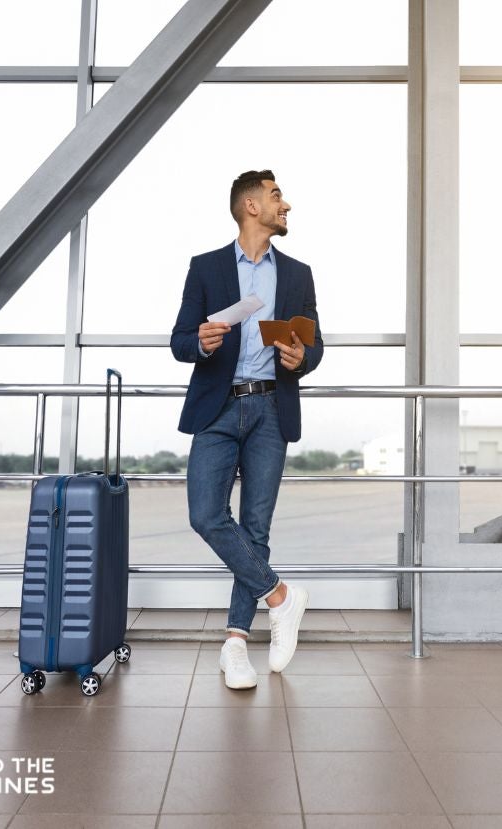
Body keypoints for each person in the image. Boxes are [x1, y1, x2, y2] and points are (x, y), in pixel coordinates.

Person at [170, 169, 323, 689]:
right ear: (251, 206)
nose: (287, 205)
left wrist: (301, 356)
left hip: (270, 412)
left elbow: (315, 347)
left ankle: (236, 642)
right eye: (277, 195)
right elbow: (180, 340)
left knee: (255, 529)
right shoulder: (206, 267)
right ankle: (281, 597)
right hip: (218, 408)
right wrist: (202, 342)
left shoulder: (298, 274)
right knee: (205, 514)